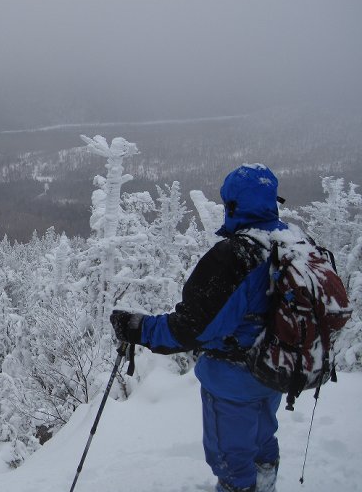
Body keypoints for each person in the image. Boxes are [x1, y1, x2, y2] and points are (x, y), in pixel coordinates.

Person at [111, 164, 287, 492]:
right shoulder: (291, 240)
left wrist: (138, 329)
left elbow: (188, 328)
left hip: (234, 380)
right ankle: (266, 486)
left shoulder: (235, 256)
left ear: (232, 206)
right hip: (276, 369)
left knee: (232, 461)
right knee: (263, 441)